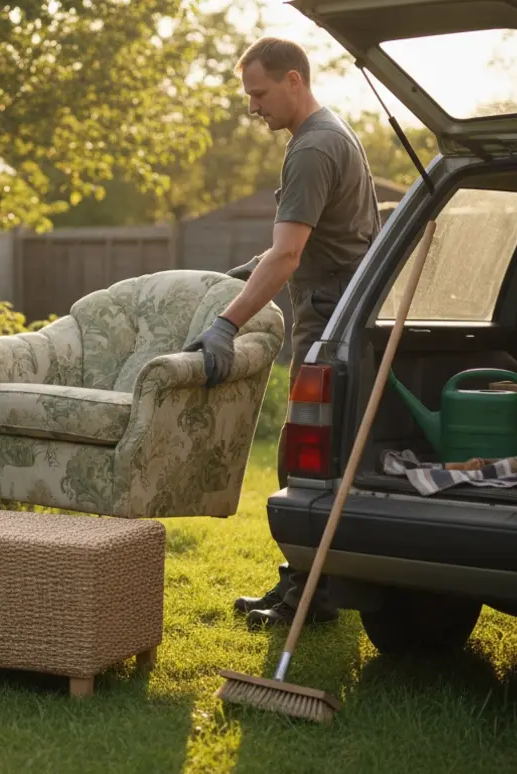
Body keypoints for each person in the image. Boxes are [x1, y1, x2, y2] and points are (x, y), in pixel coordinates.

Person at [184, 36, 380, 629]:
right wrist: (252, 269)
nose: (253, 107)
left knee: (307, 458)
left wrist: (225, 324)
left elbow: (289, 254)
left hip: (329, 317)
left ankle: (309, 597)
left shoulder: (313, 148)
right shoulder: (327, 134)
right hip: (341, 308)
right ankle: (306, 585)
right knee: (317, 455)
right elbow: (295, 243)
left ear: (294, 80)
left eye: (259, 93)